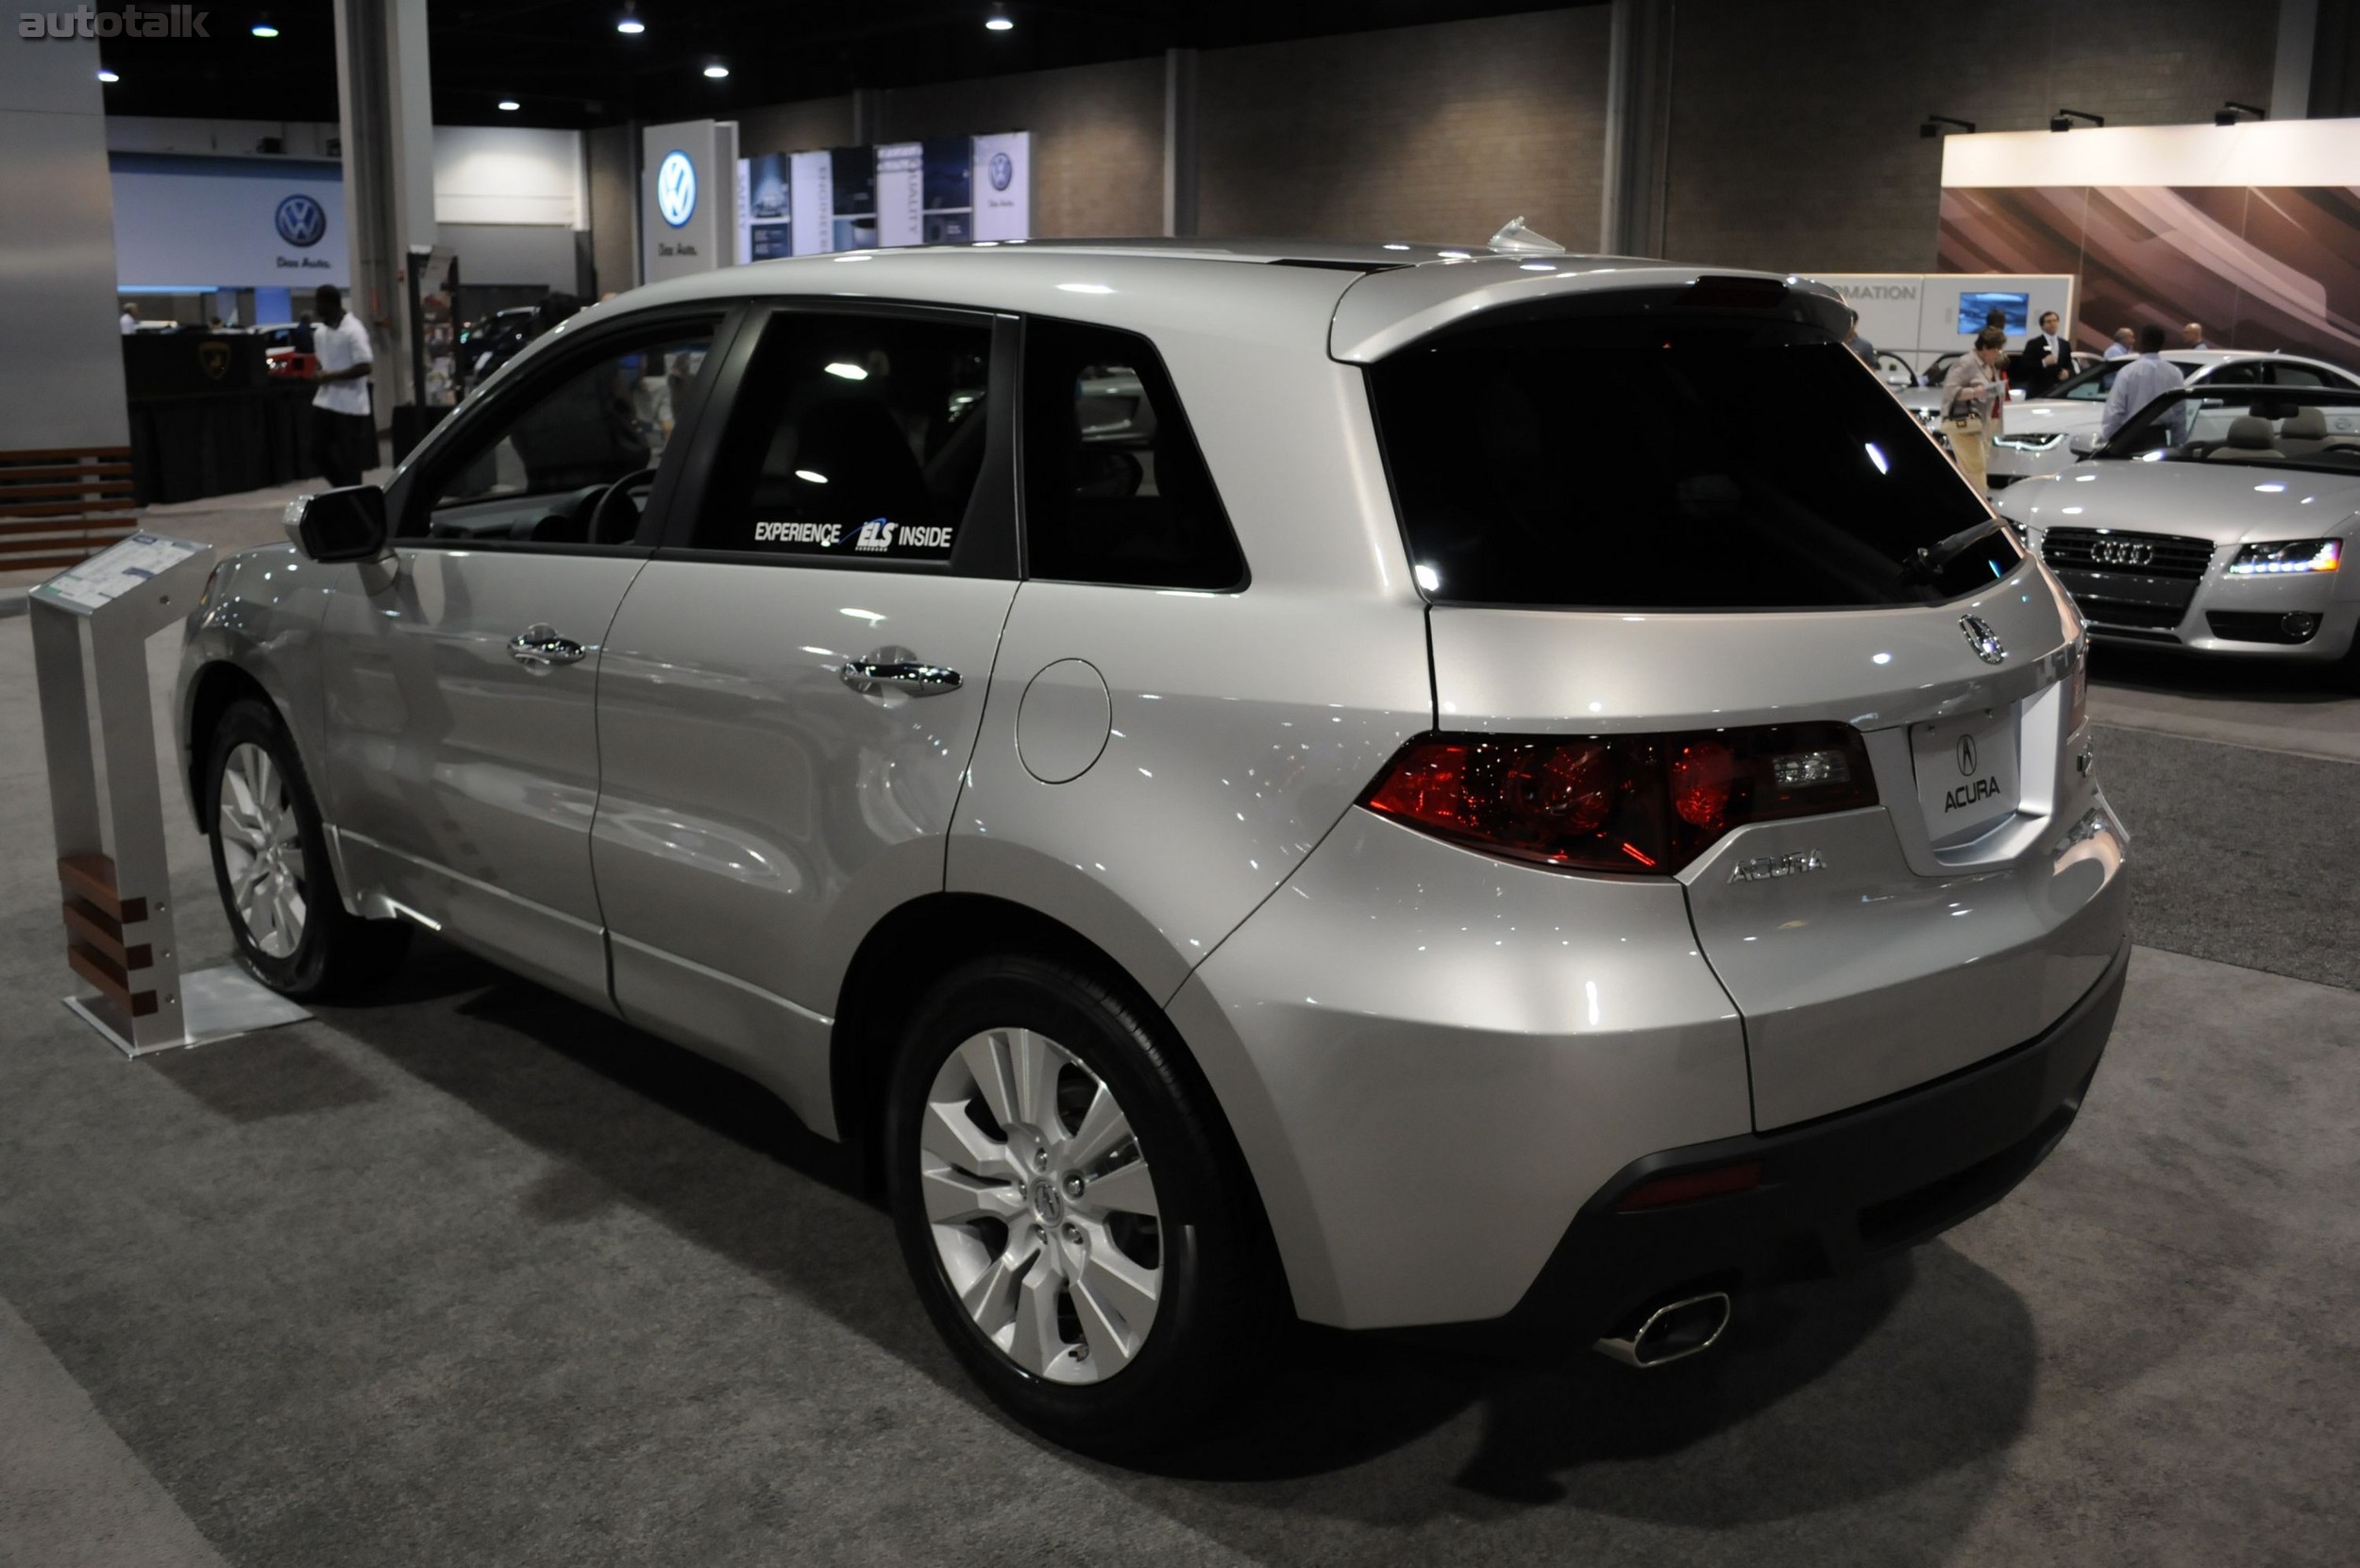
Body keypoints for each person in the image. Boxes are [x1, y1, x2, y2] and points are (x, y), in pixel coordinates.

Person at [308, 284, 375, 489]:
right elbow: (323, 362)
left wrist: (332, 376)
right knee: (316, 451)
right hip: (326, 401)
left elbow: (365, 366)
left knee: (350, 458)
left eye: (319, 302)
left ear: (331, 304)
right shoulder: (320, 332)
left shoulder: (353, 330)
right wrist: (319, 373)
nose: (316, 307)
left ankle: (354, 498)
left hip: (350, 405)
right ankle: (342, 488)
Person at [1940, 327, 2009, 492]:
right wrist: (1976, 392)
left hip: (1979, 424)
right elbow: (1950, 391)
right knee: (1975, 469)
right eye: (1996, 349)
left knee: (1973, 468)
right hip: (1963, 423)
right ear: (1985, 348)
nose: (1999, 353)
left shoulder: (1987, 364)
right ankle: (1981, 506)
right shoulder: (1967, 362)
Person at [2101, 323, 2190, 445]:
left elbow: (2115, 410)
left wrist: (2109, 439)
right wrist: (2178, 442)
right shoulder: (2174, 373)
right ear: (2162, 344)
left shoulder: (2128, 371)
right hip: (2158, 437)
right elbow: (2179, 411)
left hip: (2129, 437)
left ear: (2142, 341)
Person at [2016, 310, 2071, 396]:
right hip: (2039, 390)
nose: (2052, 323)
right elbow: (2025, 365)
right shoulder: (2034, 343)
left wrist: (2067, 372)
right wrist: (2043, 362)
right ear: (2042, 326)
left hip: (2060, 390)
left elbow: (2069, 364)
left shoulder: (2065, 344)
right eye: (2049, 321)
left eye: (2055, 320)